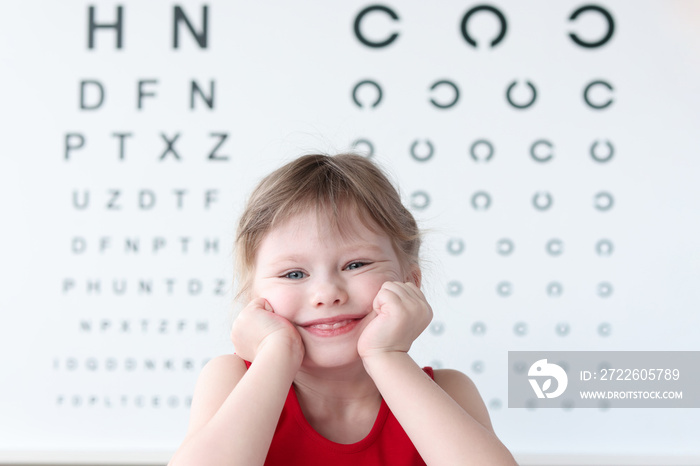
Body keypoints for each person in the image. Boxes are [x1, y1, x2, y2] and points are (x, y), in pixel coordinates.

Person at [168, 153, 517, 465]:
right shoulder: (232, 380)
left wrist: (385, 355)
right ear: (253, 300)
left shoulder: (449, 391)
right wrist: (276, 353)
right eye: (293, 273)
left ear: (409, 282)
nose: (326, 294)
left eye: (355, 265)